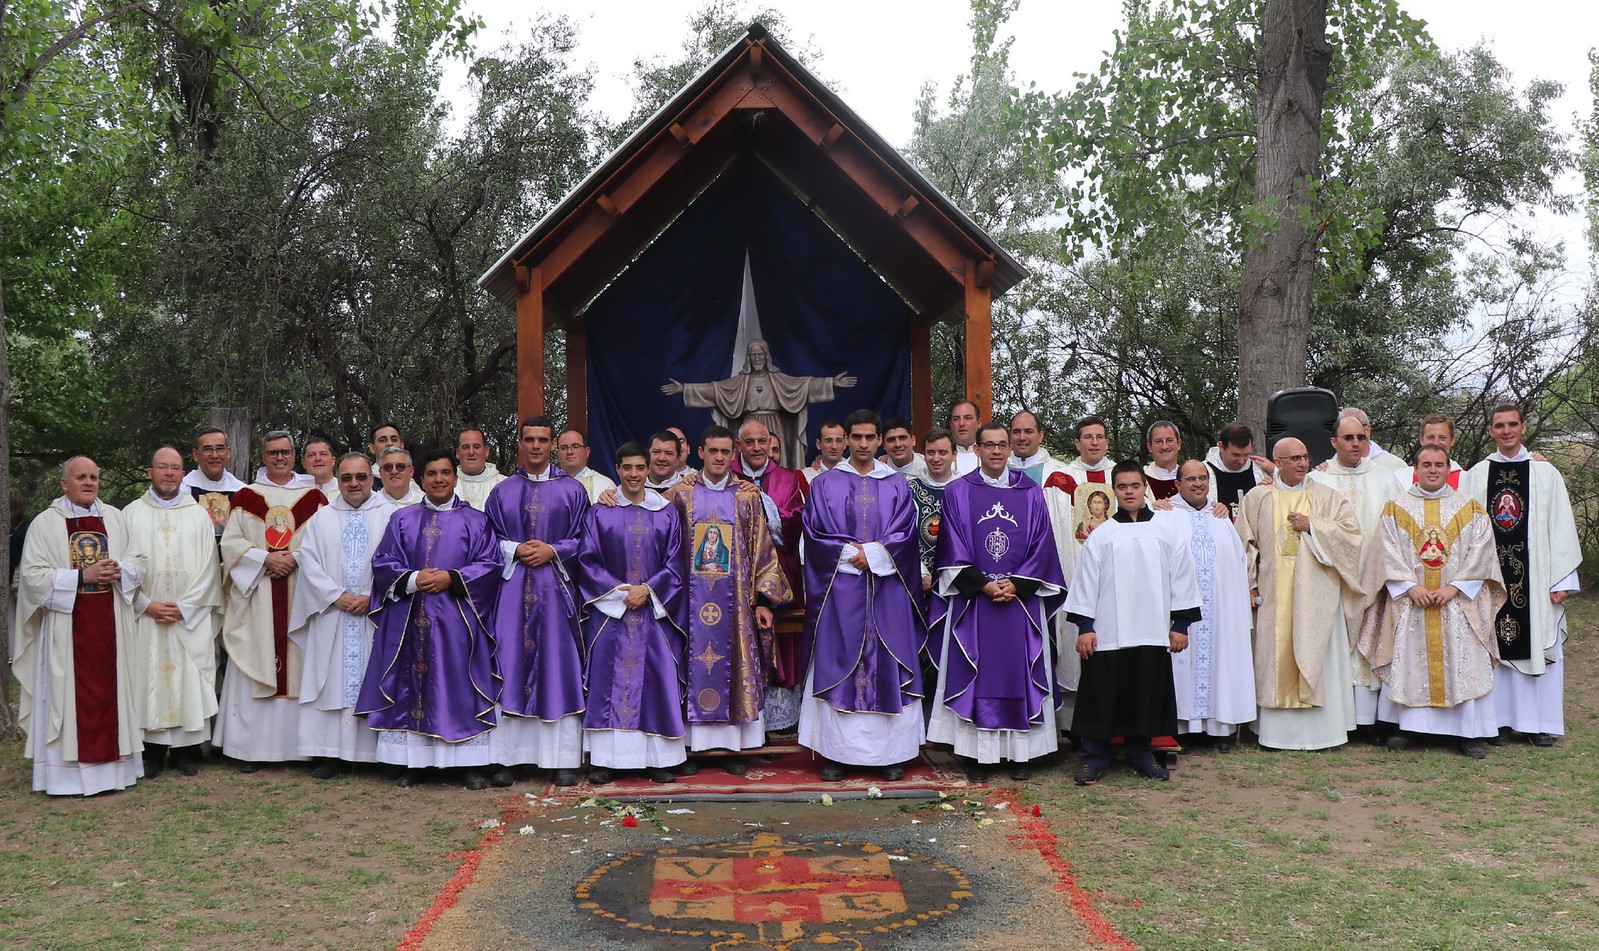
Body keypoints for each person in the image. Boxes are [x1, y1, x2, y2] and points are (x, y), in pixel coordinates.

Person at [928, 422, 1067, 779]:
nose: (996, 451)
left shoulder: (1031, 492)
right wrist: (983, 585)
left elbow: (1042, 544)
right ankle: (979, 756)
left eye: (1002, 445)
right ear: (976, 449)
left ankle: (1021, 755)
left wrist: (1018, 585)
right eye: (988, 445)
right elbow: (952, 544)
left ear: (1010, 449)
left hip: (1019, 603)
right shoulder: (959, 491)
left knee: (1018, 671)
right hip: (975, 602)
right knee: (978, 669)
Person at [357, 450, 502, 788]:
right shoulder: (403, 519)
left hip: (459, 621)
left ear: (455, 477)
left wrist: (453, 577)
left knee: (458, 683)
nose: (439, 479)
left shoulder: (477, 521)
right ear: (421, 479)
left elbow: (491, 564)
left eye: (446, 473)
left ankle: (468, 764)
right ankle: (414, 763)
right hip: (412, 618)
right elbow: (383, 562)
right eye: (432, 473)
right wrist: (413, 578)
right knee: (414, 685)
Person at [800, 409, 925, 781]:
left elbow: (906, 533)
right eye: (857, 437)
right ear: (846, 440)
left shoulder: (897, 485)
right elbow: (814, 533)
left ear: (880, 440)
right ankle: (838, 754)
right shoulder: (825, 484)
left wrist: (872, 555)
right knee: (841, 662)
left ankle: (890, 754)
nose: (864, 444)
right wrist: (851, 556)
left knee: (887, 661)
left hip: (887, 588)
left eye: (871, 438)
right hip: (842, 587)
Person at [1357, 444, 1505, 758]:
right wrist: (1410, 587)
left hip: (1456, 605)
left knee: (1461, 662)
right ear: (1417, 469)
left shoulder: (1470, 509)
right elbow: (1384, 555)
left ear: (1448, 468)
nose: (1433, 470)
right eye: (1427, 464)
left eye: (1439, 464)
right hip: (1413, 604)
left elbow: (1482, 554)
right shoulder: (1396, 507)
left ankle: (1467, 732)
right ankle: (1412, 729)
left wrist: (1454, 588)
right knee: (1412, 662)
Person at [663, 425, 793, 775]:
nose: (719, 458)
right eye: (713, 451)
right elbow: (666, 549)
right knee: (691, 665)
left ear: (730, 454)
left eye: (725, 452)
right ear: (700, 453)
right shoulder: (680, 495)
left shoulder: (747, 496)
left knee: (735, 667)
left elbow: (764, 551)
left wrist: (765, 600)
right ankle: (691, 746)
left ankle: (733, 747)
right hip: (689, 605)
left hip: (736, 606)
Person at [14, 457, 145, 795]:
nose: (89, 482)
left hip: (111, 624)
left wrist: (123, 571)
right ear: (64, 484)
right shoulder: (45, 524)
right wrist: (81, 576)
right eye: (81, 477)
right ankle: (64, 777)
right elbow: (31, 577)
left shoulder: (114, 518)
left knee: (111, 693)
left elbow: (140, 562)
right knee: (68, 697)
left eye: (94, 477)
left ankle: (115, 773)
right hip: (65, 628)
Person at [1064, 460, 1200, 785]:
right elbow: (1085, 582)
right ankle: (1093, 757)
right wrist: (1085, 626)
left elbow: (1182, 579)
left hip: (1152, 631)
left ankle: (1142, 754)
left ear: (1144, 488)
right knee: (1101, 694)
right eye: (1122, 487)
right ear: (1114, 491)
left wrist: (1180, 624)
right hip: (1109, 632)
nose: (1129, 492)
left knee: (1146, 694)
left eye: (1135, 486)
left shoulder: (1166, 532)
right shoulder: (1102, 535)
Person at [1460, 403, 1581, 746]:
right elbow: (1465, 530)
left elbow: (1560, 526)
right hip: (1492, 581)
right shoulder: (1477, 475)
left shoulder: (1545, 473)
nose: (1507, 430)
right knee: (1493, 647)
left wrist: (1562, 581)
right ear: (1491, 431)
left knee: (1535, 642)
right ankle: (1496, 722)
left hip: (1538, 579)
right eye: (1500, 425)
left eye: (1513, 424)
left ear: (1524, 427)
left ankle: (1537, 723)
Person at [1236, 437, 1364, 751]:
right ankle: (1277, 734)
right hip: (1273, 596)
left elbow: (1352, 537)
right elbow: (1244, 545)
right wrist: (1250, 584)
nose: (1302, 463)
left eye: (1305, 457)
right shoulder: (1258, 497)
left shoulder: (1325, 497)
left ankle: (1324, 733)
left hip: (1317, 595)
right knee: (1275, 655)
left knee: (1316, 652)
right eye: (1293, 458)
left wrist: (1314, 526)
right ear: (1277, 462)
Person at [484, 415, 590, 786]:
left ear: (552, 446)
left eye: (543, 440)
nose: (535, 447)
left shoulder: (573, 491)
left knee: (556, 668)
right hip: (512, 593)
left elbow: (585, 541)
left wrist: (552, 549)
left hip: (556, 592)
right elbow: (486, 541)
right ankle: (507, 759)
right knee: (510, 663)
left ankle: (560, 760)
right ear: (520, 443)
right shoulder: (501, 492)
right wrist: (514, 548)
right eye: (529, 439)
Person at [213, 431, 329, 770]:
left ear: (295, 456)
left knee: (299, 662)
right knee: (258, 656)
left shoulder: (315, 498)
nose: (279, 458)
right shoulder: (247, 496)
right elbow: (230, 544)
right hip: (259, 595)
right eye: (272, 453)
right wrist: (265, 559)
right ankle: (251, 750)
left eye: (286, 452)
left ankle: (301, 747)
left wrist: (294, 558)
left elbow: (324, 543)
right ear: (263, 457)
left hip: (299, 593)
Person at [575, 443, 688, 784]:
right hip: (612, 612)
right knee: (608, 680)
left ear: (648, 469)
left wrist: (649, 590)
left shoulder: (666, 512)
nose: (635, 475)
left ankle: (659, 758)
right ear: (618, 469)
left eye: (641, 468)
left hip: (653, 612)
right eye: (628, 468)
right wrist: (621, 592)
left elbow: (675, 562)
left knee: (656, 679)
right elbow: (587, 560)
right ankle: (608, 760)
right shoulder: (600, 512)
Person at [287, 453, 394, 778]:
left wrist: (372, 596)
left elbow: (398, 562)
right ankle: (330, 754)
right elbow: (309, 563)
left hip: (375, 615)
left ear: (371, 478)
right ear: (339, 479)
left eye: (361, 477)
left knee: (375, 679)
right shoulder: (322, 518)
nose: (353, 484)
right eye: (346, 477)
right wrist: (338, 596)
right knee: (329, 679)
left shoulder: (391, 515)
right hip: (332, 613)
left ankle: (378, 753)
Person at [123, 447, 223, 778]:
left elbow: (210, 568)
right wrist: (144, 604)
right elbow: (122, 566)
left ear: (183, 474)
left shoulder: (198, 515)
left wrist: (185, 607)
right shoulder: (131, 514)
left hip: (186, 615)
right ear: (150, 472)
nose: (168, 473)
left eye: (175, 468)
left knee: (188, 681)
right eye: (162, 467)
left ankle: (186, 751)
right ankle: (150, 753)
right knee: (146, 678)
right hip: (146, 615)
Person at [1309, 414, 1398, 738]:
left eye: (1361, 437)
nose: (1356, 444)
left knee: (1373, 643)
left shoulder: (1386, 478)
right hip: (1335, 578)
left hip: (1375, 578)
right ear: (1334, 442)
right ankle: (1340, 718)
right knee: (1339, 647)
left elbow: (1396, 528)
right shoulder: (1319, 480)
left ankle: (1371, 721)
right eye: (1348, 438)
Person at [1165, 460, 1256, 747]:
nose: (1197, 484)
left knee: (1221, 664)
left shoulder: (1221, 518)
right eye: (1190, 479)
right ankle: (1183, 728)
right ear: (1178, 483)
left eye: (1202, 478)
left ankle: (1219, 730)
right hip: (1181, 613)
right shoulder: (1165, 515)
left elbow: (1239, 563)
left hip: (1220, 613)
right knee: (1181, 665)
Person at [661, 338, 856, 469]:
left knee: (775, 461)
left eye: (759, 354)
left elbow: (805, 385)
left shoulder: (777, 379)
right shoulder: (741, 381)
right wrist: (684, 389)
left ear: (766, 356)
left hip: (775, 425)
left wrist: (832, 383)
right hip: (749, 426)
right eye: (753, 355)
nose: (756, 359)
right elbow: (714, 390)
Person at [730, 417, 808, 729]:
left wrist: (758, 503)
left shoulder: (788, 479)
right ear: (739, 446)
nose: (757, 448)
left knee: (781, 639)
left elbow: (796, 520)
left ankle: (780, 720)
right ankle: (744, 716)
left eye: (762, 441)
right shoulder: (726, 476)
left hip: (780, 574)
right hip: (736, 578)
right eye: (749, 442)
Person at [909, 428, 960, 589]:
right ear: (924, 455)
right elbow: (903, 536)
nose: (936, 458)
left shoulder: (965, 489)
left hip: (958, 580)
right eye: (931, 452)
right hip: (918, 579)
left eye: (943, 452)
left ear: (954, 454)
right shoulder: (910, 490)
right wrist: (922, 574)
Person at [181, 426, 247, 543]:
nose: (214, 455)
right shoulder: (182, 490)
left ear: (228, 453)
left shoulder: (242, 492)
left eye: (220, 449)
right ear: (196, 455)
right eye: (207, 449)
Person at [1205, 422, 1274, 519]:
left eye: (1246, 455)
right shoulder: (1203, 472)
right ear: (1221, 446)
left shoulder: (1261, 471)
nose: (1241, 461)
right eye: (1236, 455)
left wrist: (1276, 474)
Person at [1392, 414, 1464, 492]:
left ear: (1452, 440)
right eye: (1430, 438)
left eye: (1442, 438)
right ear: (1421, 439)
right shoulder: (1401, 477)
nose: (1436, 443)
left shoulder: (1464, 479)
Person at [557, 428, 618, 503]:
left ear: (587, 452)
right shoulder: (549, 484)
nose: (569, 452)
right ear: (558, 454)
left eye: (575, 447)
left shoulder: (605, 485)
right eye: (564, 448)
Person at [1008, 411, 1069, 487]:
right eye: (1016, 432)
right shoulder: (995, 470)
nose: (1022, 438)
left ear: (1040, 436)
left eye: (1028, 432)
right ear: (1010, 436)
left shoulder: (1061, 472)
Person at [1339, 407, 1406, 473]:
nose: (1354, 442)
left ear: (1367, 430)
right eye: (1346, 436)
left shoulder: (1394, 467)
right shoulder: (1330, 466)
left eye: (1353, 429)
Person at [455, 426, 507, 510]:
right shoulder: (445, 485)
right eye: (465, 447)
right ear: (457, 453)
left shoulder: (504, 485)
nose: (471, 452)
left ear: (486, 451)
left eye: (476, 446)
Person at [1142, 421, 1183, 501]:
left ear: (1179, 444)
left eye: (1169, 440)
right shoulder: (1141, 479)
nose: (1164, 447)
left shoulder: (1191, 477)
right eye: (1158, 441)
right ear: (1149, 447)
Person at [800, 420, 847, 485]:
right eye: (828, 440)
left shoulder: (857, 475)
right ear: (818, 444)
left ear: (845, 444)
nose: (834, 446)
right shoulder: (804, 478)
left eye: (839, 441)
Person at [947, 399, 982, 476]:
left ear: (979, 423)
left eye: (968, 418)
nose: (961, 423)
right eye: (956, 419)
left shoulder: (989, 455)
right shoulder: (942, 457)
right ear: (951, 424)